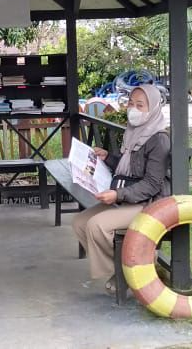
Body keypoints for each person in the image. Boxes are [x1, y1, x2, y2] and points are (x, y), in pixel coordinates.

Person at [72, 84, 171, 295]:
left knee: (96, 226)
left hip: (147, 202)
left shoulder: (158, 139)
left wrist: (118, 194)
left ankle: (129, 272)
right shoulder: (134, 132)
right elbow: (129, 168)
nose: (133, 109)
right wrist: (108, 157)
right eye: (131, 103)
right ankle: (127, 271)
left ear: (153, 108)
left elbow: (152, 184)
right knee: (80, 223)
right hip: (127, 196)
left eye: (140, 105)